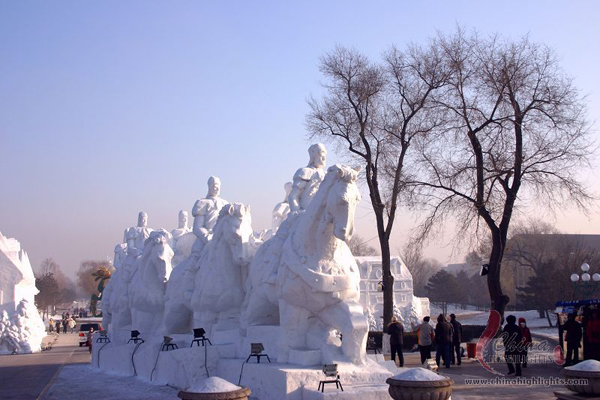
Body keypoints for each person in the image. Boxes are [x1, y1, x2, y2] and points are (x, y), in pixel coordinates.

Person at [288, 143, 327, 212]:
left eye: (325, 156)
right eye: (321, 155)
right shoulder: (305, 171)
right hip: (306, 213)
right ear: (314, 156)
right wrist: (297, 212)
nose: (324, 158)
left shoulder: (327, 174)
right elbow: (293, 196)